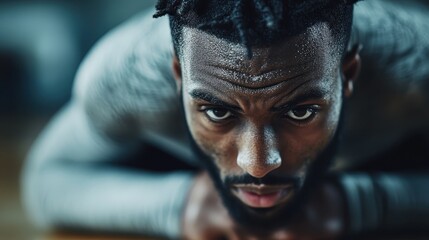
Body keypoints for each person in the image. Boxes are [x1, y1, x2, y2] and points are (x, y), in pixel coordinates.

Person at [22, 0, 429, 239]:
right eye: (217, 111)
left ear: (348, 74)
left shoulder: (416, 68)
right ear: (178, 77)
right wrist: (177, 206)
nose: (257, 163)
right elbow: (45, 181)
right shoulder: (126, 76)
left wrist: (358, 204)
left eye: (300, 111)